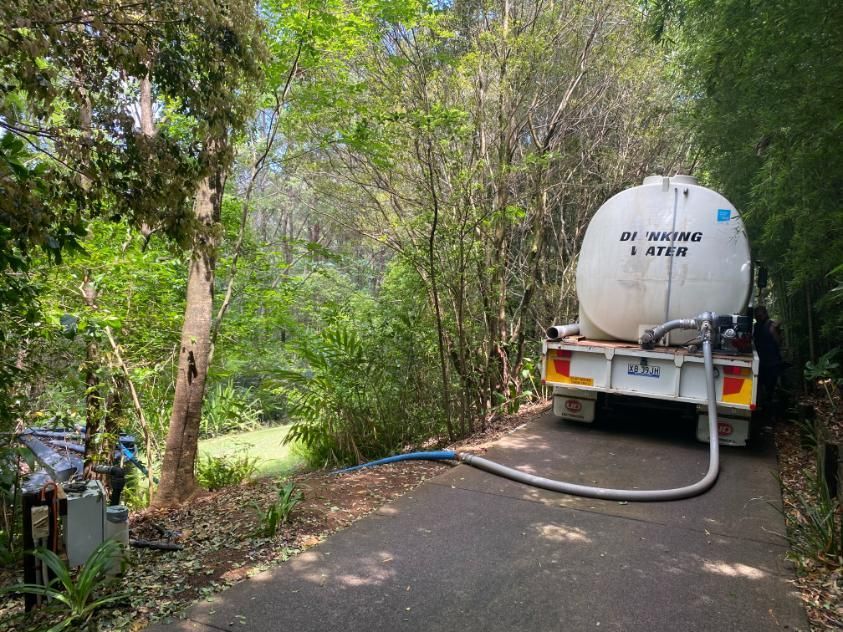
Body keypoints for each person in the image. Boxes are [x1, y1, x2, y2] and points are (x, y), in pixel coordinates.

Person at [753, 305, 783, 409]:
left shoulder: (770, 325)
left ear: (765, 314)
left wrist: (775, 330)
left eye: (760, 315)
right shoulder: (757, 326)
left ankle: (768, 411)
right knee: (760, 387)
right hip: (761, 363)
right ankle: (762, 408)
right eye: (756, 316)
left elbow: (778, 342)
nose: (758, 317)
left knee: (770, 389)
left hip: (771, 363)